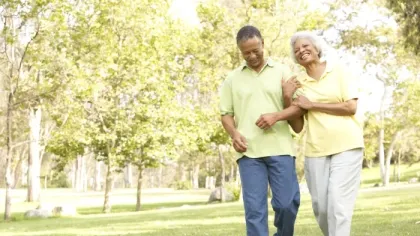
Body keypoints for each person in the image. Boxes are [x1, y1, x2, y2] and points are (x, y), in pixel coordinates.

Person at [219, 25, 305, 236]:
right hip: (249, 153)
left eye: (255, 50)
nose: (252, 55)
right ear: (240, 51)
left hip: (281, 148)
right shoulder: (232, 79)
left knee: (287, 204)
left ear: (263, 44)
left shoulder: (283, 72)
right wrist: (234, 134)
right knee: (254, 211)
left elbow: (298, 109)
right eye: (246, 52)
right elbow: (226, 114)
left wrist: (279, 109)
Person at [283, 31, 364, 236]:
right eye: (297, 50)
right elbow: (298, 126)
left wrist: (313, 105)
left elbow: (350, 107)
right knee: (321, 207)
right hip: (316, 149)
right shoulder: (299, 83)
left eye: (305, 46)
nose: (301, 51)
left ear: (317, 48)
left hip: (347, 144)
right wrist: (286, 96)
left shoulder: (338, 71)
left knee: (338, 203)